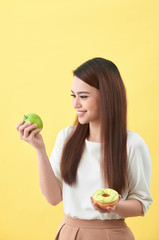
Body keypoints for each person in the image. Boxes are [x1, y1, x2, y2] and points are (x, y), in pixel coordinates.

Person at [16, 57, 152, 240]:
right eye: (74, 95)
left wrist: (115, 207)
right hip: (69, 234)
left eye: (84, 96)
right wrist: (39, 149)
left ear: (107, 96)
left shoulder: (133, 144)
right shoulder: (67, 137)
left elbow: (141, 203)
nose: (75, 104)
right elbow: (53, 198)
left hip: (113, 235)